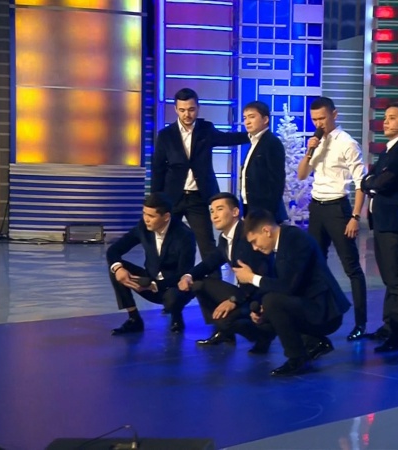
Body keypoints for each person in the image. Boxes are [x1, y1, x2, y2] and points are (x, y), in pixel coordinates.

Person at [233, 209, 351, 376]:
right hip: (309, 304)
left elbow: (288, 286)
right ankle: (315, 342)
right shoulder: (282, 243)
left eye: (255, 241)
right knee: (266, 311)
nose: (255, 247)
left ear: (266, 231)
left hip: (325, 311)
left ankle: (297, 358)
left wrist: (251, 277)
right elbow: (285, 285)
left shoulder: (295, 239)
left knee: (271, 301)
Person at [297, 96, 369, 341]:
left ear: (334, 115)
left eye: (322, 118)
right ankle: (320, 316)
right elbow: (301, 174)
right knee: (316, 264)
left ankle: (360, 322)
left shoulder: (347, 143)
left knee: (351, 267)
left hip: (338, 209)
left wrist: (355, 216)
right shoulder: (316, 142)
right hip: (317, 208)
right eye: (314, 119)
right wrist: (310, 151)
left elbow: (361, 183)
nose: (318, 123)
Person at [151, 88, 249, 261]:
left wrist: (253, 134)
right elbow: (158, 169)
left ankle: (214, 277)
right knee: (166, 243)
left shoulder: (206, 129)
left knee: (207, 245)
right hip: (172, 197)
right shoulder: (165, 135)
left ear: (198, 108)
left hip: (199, 197)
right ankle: (168, 277)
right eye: (182, 110)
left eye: (191, 109)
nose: (187, 114)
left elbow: (227, 138)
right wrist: (155, 201)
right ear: (175, 109)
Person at [177, 193, 274, 353]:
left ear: (235, 212)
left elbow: (259, 278)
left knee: (226, 321)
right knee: (199, 284)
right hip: (245, 292)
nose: (214, 215)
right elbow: (210, 262)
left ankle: (263, 335)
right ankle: (224, 332)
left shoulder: (248, 236)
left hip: (259, 296)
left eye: (220, 209)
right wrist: (189, 276)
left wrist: (233, 300)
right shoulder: (225, 238)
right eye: (212, 211)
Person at [361, 103, 398, 353]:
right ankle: (388, 326)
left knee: (396, 280)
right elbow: (370, 179)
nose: (385, 122)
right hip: (382, 221)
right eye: (385, 117)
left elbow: (381, 181)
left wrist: (370, 182)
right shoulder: (390, 148)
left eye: (392, 118)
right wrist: (370, 181)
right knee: (388, 279)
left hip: (393, 221)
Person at [106, 193, 196, 335]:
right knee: (116, 269)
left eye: (151, 216)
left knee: (173, 297)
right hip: (149, 280)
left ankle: (176, 318)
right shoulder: (143, 227)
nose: (146, 219)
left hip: (174, 285)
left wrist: (155, 285)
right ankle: (134, 318)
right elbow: (114, 250)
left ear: (166, 217)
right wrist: (118, 268)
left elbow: (185, 273)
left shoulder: (184, 235)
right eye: (144, 214)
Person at [239, 101, 288, 223]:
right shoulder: (253, 142)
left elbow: (277, 181)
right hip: (249, 207)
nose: (247, 122)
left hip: (265, 212)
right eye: (245, 118)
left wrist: (268, 213)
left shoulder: (271, 143)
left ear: (265, 119)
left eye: (252, 117)